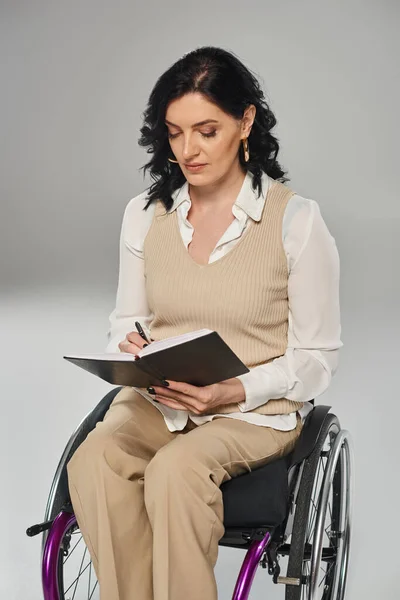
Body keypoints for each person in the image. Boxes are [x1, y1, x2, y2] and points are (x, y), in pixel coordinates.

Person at [67, 46, 342, 600]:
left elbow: (317, 359)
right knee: (93, 461)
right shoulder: (145, 215)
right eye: (174, 133)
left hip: (252, 409)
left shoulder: (297, 223)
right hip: (161, 395)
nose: (187, 150)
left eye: (206, 131)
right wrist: (132, 345)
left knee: (176, 473)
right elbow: (127, 317)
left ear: (246, 123)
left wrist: (230, 389)